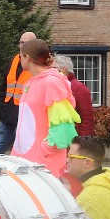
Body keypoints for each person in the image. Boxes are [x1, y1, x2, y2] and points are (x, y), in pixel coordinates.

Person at [11, 40, 78, 179]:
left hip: (43, 164)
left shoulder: (52, 82)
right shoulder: (30, 82)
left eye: (21, 56)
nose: (19, 60)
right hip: (25, 161)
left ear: (27, 58)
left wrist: (44, 150)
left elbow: (62, 125)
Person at [0, 31, 37, 152]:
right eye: (21, 42)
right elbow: (4, 86)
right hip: (8, 118)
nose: (23, 46)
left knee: (23, 155)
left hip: (25, 120)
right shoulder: (14, 61)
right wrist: (3, 106)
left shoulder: (38, 65)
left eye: (27, 43)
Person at [54, 56, 94, 139]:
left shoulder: (79, 88)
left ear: (63, 69)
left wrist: (83, 140)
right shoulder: (53, 86)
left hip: (73, 136)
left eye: (54, 68)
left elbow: (86, 117)